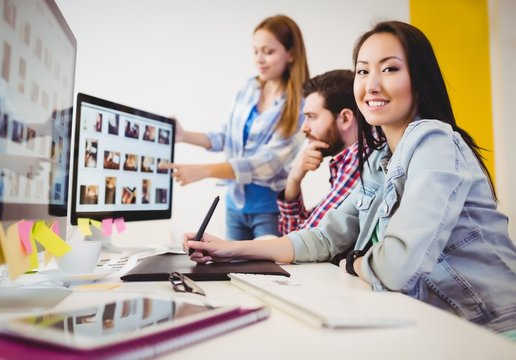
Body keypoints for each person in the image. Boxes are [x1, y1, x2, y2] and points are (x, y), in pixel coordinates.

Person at [183, 21, 516, 335]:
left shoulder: (434, 142)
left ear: (420, 79)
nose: (371, 85)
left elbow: (396, 268)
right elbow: (325, 238)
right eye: (362, 70)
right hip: (434, 323)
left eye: (389, 68)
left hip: (492, 329)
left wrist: (353, 261)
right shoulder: (378, 160)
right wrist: (231, 250)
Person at [160, 15, 310, 240]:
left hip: (269, 211)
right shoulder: (248, 88)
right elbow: (224, 137)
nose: (259, 59)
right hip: (234, 207)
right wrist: (185, 136)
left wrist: (204, 171)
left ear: (291, 54)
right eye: (255, 51)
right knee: (229, 273)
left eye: (268, 52)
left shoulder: (301, 104)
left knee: (266, 274)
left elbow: (266, 164)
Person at [277, 70, 363, 239]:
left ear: (345, 118)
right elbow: (295, 238)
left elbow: (300, 241)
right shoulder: (345, 162)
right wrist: (294, 180)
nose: (304, 128)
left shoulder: (360, 161)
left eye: (311, 117)